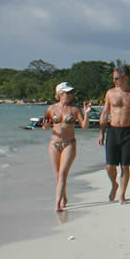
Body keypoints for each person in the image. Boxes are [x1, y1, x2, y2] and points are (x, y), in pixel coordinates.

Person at [98, 65, 130, 205]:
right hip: (113, 130)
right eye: (113, 78)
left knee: (125, 166)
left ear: (126, 78)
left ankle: (122, 195)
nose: (115, 81)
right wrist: (101, 132)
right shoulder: (110, 93)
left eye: (117, 78)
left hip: (129, 131)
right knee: (109, 165)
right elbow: (104, 113)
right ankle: (114, 184)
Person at [43, 82, 91, 212]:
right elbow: (45, 125)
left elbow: (84, 127)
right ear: (59, 94)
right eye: (66, 93)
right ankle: (63, 197)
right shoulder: (51, 109)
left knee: (63, 173)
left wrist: (86, 113)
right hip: (54, 143)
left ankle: (57, 203)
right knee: (57, 174)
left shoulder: (75, 109)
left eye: (71, 92)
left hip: (69, 143)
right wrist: (46, 127)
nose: (70, 95)